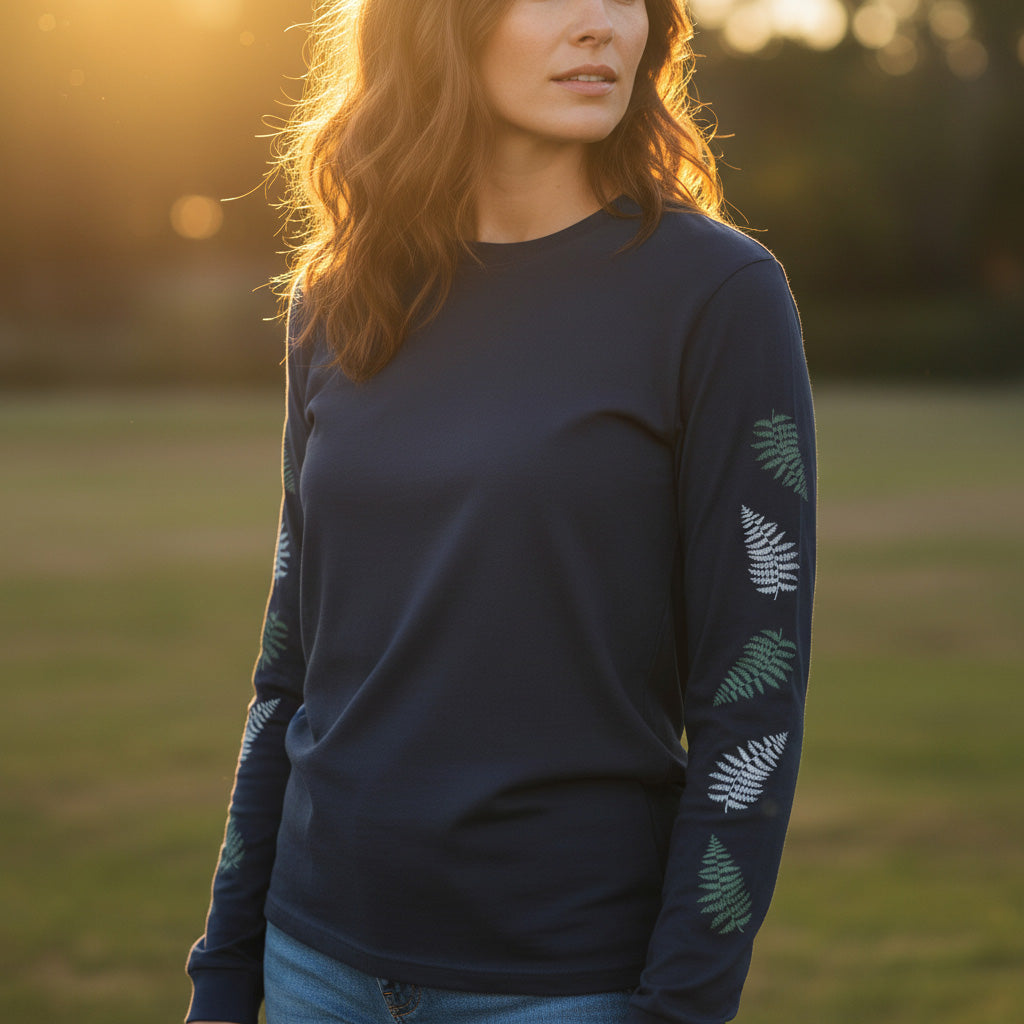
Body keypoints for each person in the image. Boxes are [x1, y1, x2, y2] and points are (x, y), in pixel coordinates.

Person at [185, 0, 816, 1022]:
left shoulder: (717, 295)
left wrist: (680, 1005)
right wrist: (225, 968)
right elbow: (289, 662)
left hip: (563, 981)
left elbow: (755, 696)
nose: (601, 26)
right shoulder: (341, 295)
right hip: (311, 962)